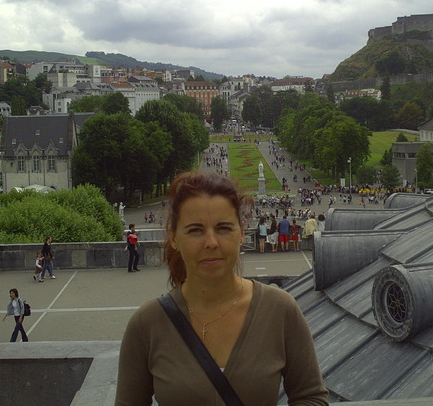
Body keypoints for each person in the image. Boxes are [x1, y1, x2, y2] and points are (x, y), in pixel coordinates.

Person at [115, 172, 328, 406]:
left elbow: (310, 398)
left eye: (224, 228)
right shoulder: (146, 324)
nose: (211, 242)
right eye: (195, 230)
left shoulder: (280, 309)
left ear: (240, 232)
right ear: (174, 237)